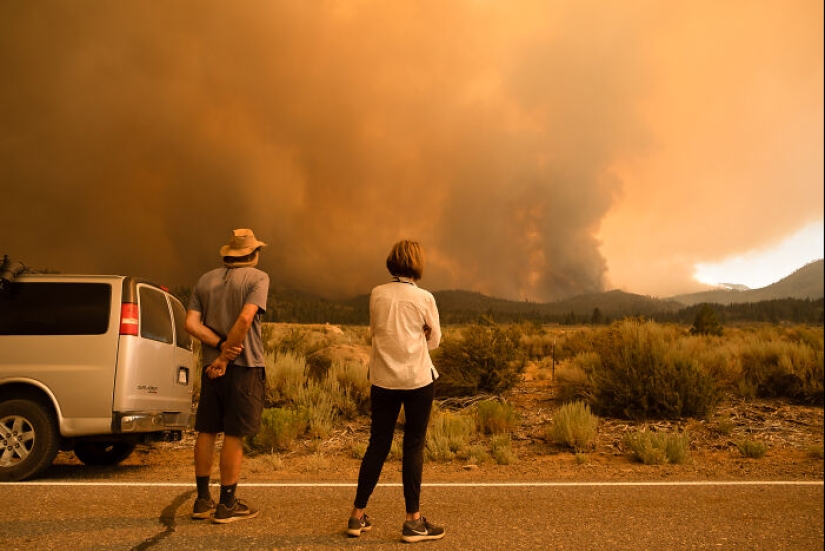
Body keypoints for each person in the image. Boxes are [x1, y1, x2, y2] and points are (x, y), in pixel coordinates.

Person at [347, 240, 446, 543]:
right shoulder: (425, 298)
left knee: (377, 444)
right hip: (417, 380)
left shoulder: (377, 294)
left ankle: (356, 516)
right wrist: (423, 333)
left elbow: (377, 332)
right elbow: (435, 341)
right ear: (417, 263)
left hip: (383, 380)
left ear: (392, 262)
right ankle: (413, 523)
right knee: (413, 446)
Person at [185, 228, 270, 524]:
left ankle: (201, 501)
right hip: (244, 367)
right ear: (253, 254)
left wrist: (218, 350)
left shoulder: (204, 280)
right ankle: (228, 505)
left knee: (207, 430)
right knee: (234, 433)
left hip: (211, 369)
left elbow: (191, 324)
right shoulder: (258, 278)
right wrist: (226, 356)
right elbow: (246, 318)